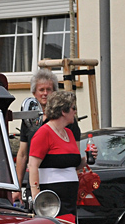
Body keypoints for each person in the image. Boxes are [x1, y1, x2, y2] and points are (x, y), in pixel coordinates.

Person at [14, 68, 81, 200]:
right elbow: (22, 154)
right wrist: (17, 187)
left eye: (48, 89)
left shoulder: (68, 122)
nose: (45, 93)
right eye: (41, 90)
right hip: (37, 184)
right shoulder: (29, 120)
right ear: (34, 93)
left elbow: (74, 155)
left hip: (62, 186)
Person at [27, 90, 85, 223]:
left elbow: (71, 164)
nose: (75, 112)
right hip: (51, 201)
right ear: (63, 111)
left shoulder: (69, 133)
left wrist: (86, 159)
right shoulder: (44, 133)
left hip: (70, 198)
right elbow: (33, 165)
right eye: (73, 108)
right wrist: (37, 197)